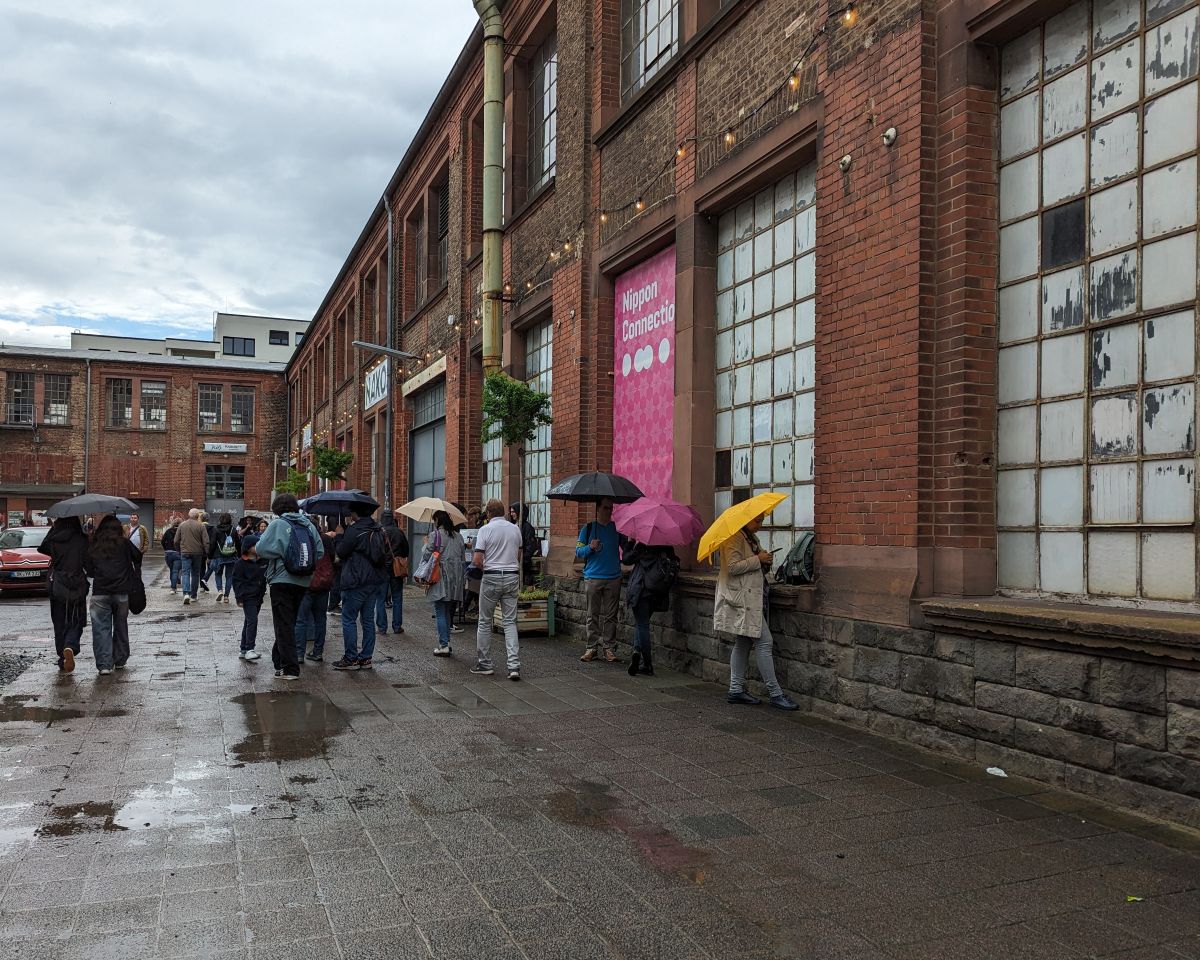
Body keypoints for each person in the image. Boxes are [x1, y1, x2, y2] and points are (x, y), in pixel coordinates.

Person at [714, 513, 798, 710]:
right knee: (764, 642)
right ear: (745, 519)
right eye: (757, 521)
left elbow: (755, 565)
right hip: (741, 599)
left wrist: (765, 561)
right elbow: (733, 567)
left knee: (743, 642)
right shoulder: (733, 537)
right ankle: (775, 694)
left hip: (751, 598)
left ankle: (735, 690)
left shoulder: (750, 537)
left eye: (761, 520)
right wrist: (757, 559)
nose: (760, 524)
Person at [254, 494, 323, 680]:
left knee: (283, 624)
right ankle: (279, 662)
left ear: (277, 508)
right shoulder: (308, 525)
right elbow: (320, 551)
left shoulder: (278, 524)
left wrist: (281, 554)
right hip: (302, 581)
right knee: (288, 622)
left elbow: (261, 549)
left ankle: (290, 669)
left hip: (281, 580)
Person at [470, 498, 523, 680]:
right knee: (510, 622)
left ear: (489, 513)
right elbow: (518, 555)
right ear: (503, 512)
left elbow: (477, 560)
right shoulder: (515, 529)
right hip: (512, 576)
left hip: (491, 576)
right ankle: (514, 666)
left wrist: (488, 569)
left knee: (485, 621)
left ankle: (485, 664)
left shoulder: (485, 530)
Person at [333, 504, 390, 670]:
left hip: (355, 579)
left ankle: (350, 657)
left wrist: (338, 536)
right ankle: (366, 658)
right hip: (373, 580)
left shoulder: (354, 530)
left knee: (349, 619)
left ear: (355, 513)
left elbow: (342, 552)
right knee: (368, 620)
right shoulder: (378, 528)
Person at [84, 515, 142, 675]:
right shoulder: (124, 543)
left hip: (101, 592)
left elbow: (89, 570)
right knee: (121, 625)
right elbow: (138, 556)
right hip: (122, 592)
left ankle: (104, 665)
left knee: (101, 628)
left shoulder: (95, 544)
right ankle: (120, 659)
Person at [576, 498, 628, 663]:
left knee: (611, 616)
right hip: (593, 578)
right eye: (605, 508)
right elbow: (578, 552)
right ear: (598, 509)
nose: (609, 511)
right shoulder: (588, 528)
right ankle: (591, 648)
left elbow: (627, 550)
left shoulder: (617, 529)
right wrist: (590, 547)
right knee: (593, 615)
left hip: (613, 577)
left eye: (611, 508)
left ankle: (609, 648)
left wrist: (631, 539)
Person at [622, 540, 678, 678]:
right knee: (641, 623)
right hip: (657, 592)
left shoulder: (642, 546)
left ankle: (647, 663)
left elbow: (626, 559)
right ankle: (636, 651)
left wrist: (630, 542)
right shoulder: (667, 546)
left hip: (640, 589)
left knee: (642, 625)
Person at [42, 516, 89, 672]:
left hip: (58, 584)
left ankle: (62, 657)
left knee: (59, 621)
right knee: (76, 619)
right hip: (77, 584)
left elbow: (42, 548)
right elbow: (88, 565)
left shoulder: (55, 539)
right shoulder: (82, 539)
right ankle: (70, 645)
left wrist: (53, 528)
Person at [421, 511, 464, 657]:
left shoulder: (435, 535)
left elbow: (427, 555)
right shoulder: (458, 536)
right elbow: (462, 557)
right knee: (447, 610)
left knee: (439, 610)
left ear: (438, 520)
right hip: (456, 579)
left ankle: (443, 645)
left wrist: (426, 544)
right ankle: (446, 642)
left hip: (440, 576)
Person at [296, 521, 335, 663]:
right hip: (323, 583)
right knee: (321, 619)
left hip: (306, 582)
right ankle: (318, 652)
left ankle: (299, 653)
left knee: (301, 620)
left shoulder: (301, 538)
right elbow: (332, 558)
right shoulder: (325, 539)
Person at [230, 534, 266, 661]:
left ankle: (244, 649)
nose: (258, 547)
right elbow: (237, 581)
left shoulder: (262, 561)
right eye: (256, 545)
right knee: (252, 621)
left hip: (258, 595)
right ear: (249, 547)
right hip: (247, 596)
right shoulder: (240, 563)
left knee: (249, 621)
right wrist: (239, 598)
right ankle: (250, 648)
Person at [374, 510, 409, 636]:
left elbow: (375, 551)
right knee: (397, 598)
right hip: (396, 569)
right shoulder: (399, 532)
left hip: (382, 568)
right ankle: (397, 626)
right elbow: (406, 550)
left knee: (380, 599)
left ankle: (382, 628)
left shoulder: (379, 532)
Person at [177, 508, 209, 605]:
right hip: (197, 553)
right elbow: (206, 541)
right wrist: (206, 553)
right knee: (195, 574)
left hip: (185, 552)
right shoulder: (201, 526)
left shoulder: (182, 525)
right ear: (197, 516)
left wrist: (179, 550)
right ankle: (193, 596)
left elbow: (175, 540)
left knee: (185, 573)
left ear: (189, 514)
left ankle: (186, 593)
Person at [208, 512, 238, 603]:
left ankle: (220, 590)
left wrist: (210, 556)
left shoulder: (216, 529)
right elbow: (238, 543)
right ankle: (226, 597)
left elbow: (212, 543)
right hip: (231, 555)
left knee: (218, 574)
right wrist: (240, 554)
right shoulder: (233, 530)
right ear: (230, 520)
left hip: (218, 556)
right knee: (229, 576)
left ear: (220, 519)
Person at [510, 503, 541, 585]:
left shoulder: (527, 527)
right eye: (511, 512)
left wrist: (523, 559)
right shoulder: (511, 526)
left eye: (513, 512)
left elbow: (530, 546)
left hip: (522, 562)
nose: (511, 514)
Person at [161, 515, 182, 594]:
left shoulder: (168, 531)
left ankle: (173, 587)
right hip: (177, 553)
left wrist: (166, 549)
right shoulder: (181, 531)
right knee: (175, 571)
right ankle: (173, 588)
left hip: (168, 553)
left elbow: (162, 541)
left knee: (172, 570)